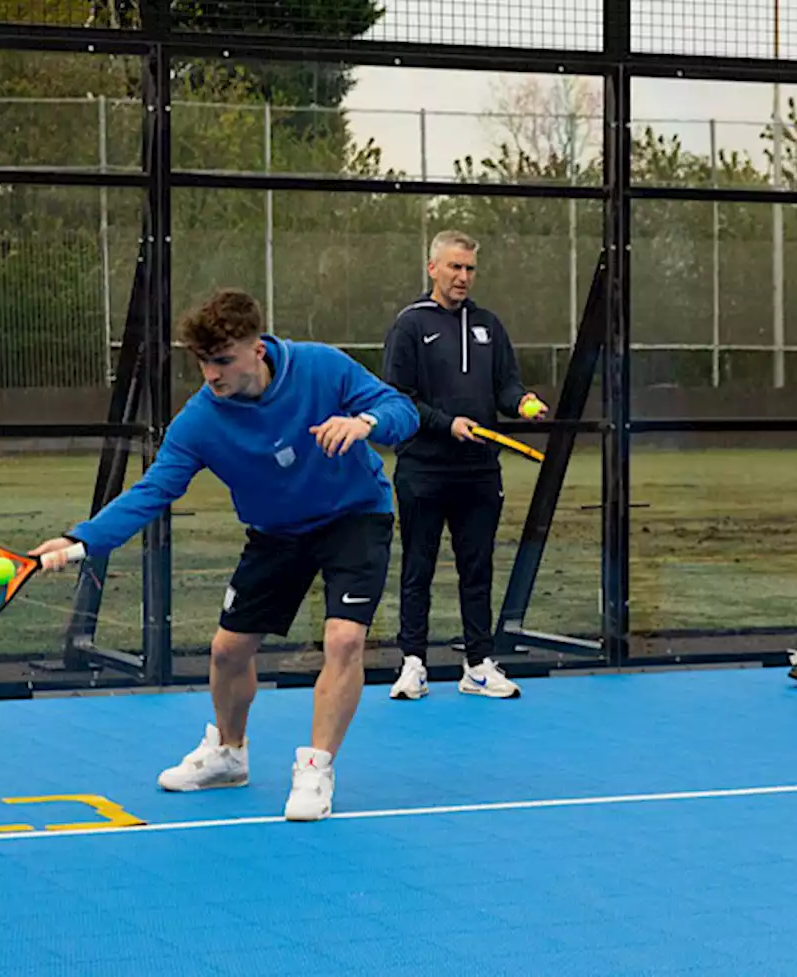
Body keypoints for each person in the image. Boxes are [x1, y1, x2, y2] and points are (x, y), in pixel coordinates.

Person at [31, 287, 419, 821]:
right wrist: (82, 540)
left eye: (222, 360)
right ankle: (229, 754)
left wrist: (364, 424)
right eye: (202, 362)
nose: (211, 374)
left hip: (354, 515)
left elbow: (401, 409)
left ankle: (316, 768)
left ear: (256, 349)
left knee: (345, 637)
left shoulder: (322, 368)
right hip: (275, 533)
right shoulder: (200, 422)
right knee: (227, 653)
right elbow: (154, 490)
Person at [381, 229, 547, 701]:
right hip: (423, 470)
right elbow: (399, 399)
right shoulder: (410, 325)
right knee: (419, 566)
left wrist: (524, 402)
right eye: (454, 267)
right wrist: (446, 423)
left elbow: (506, 387)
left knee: (477, 568)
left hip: (478, 472)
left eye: (469, 268)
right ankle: (413, 663)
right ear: (432, 268)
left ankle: (478, 664)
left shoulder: (490, 326)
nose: (462, 277)